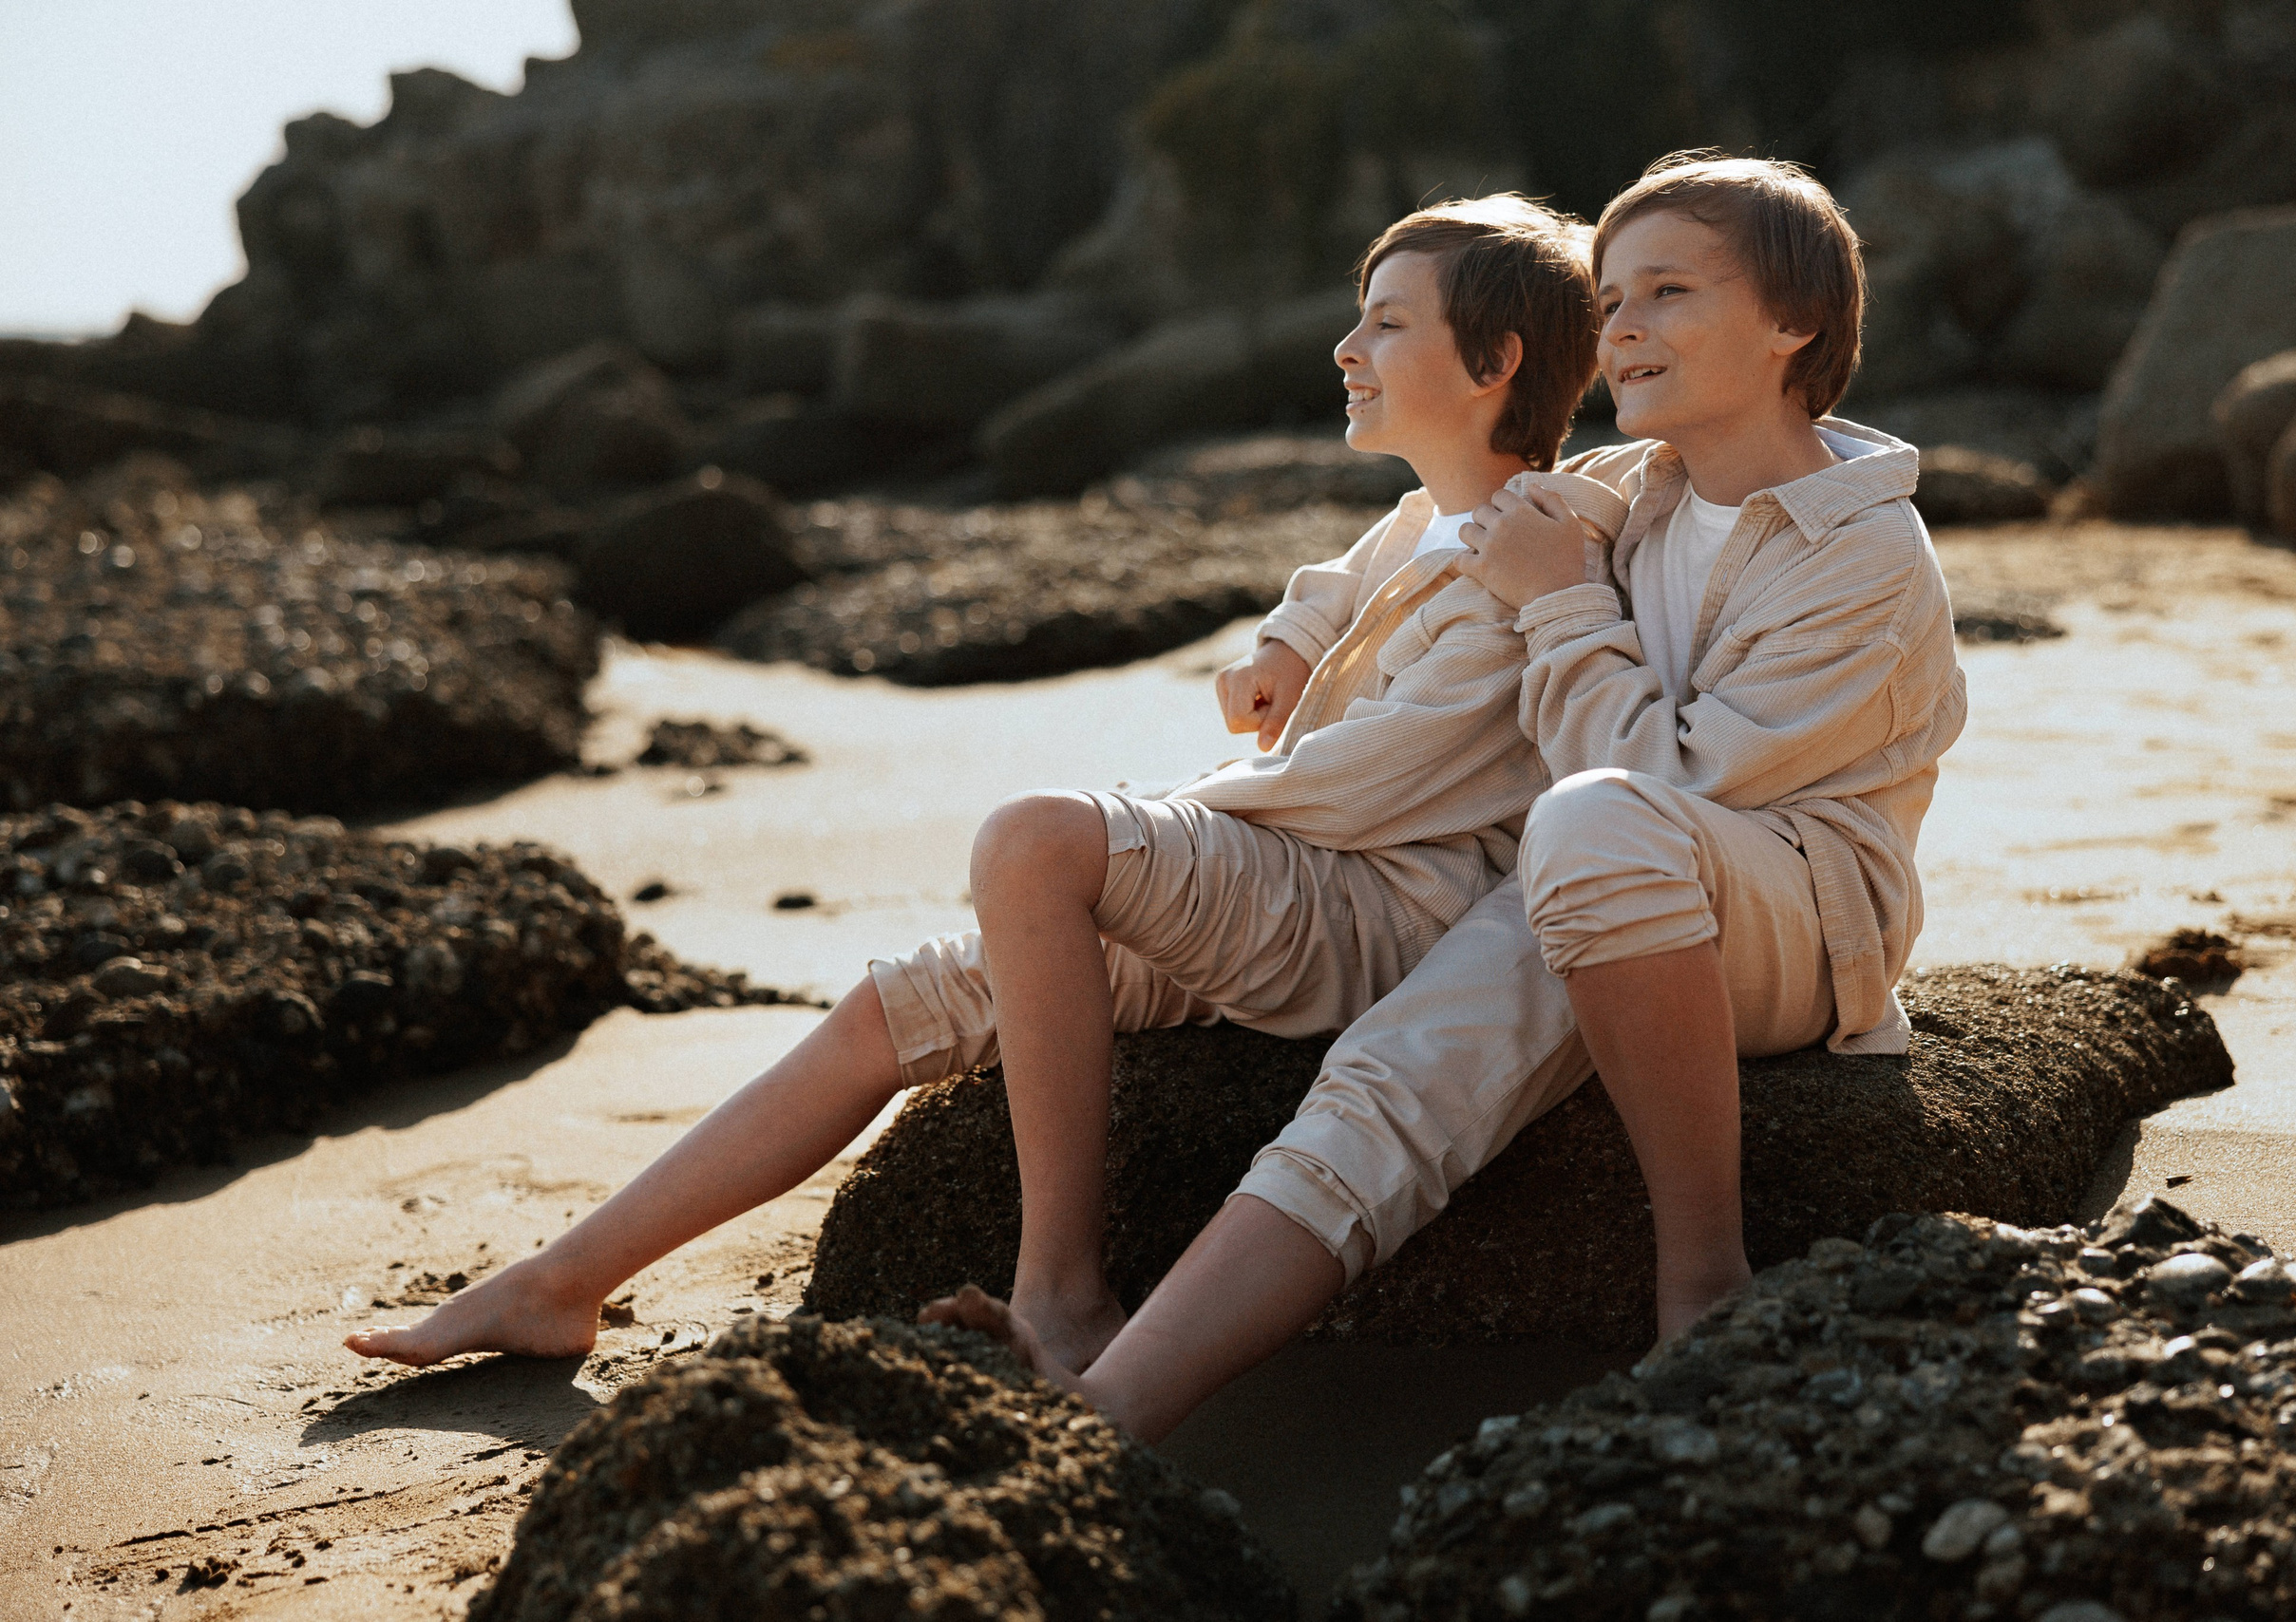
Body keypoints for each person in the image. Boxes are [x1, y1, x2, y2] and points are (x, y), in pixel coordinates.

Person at [343, 194, 1618, 1375]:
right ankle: (562, 1280)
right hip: (1291, 882)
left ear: (1495, 362)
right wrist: (1284, 642)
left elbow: (1362, 789)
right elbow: (1341, 580)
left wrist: (1144, 833)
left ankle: (1060, 1289)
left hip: (1376, 915)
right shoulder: (1423, 519)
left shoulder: (1532, 551)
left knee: (1034, 843)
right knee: (895, 1009)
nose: (1346, 347)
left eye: (1386, 324)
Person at [925, 151, 1966, 1445]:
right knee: (1392, 1072)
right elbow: (1417, 535)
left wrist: (1566, 604)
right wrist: (1301, 635)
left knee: (1587, 828)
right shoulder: (1629, 497)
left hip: (1800, 918)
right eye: (1611, 298)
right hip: (1611, 878)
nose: (1621, 327)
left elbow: (1674, 783)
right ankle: (1108, 1414)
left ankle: (1702, 1275)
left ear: (1793, 325)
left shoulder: (1860, 548)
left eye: (1667, 294)